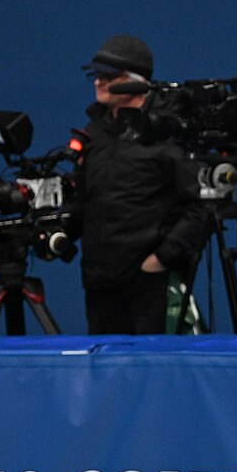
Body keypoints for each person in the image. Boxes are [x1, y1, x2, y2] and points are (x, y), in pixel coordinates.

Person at [75, 35, 210, 334]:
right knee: (109, 373)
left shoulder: (169, 131)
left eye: (107, 77)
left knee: (157, 373)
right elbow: (84, 197)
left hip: (150, 282)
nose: (97, 83)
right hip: (100, 281)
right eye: (95, 76)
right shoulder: (94, 131)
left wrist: (163, 259)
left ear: (133, 82)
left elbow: (203, 204)